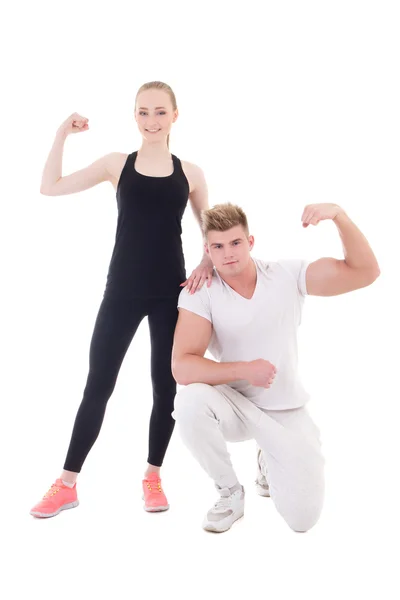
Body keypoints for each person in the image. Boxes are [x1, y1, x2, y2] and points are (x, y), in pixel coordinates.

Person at [30, 81, 213, 518]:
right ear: (135, 117)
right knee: (98, 385)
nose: (152, 121)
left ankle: (152, 477)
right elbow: (49, 187)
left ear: (175, 116)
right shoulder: (117, 164)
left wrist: (207, 261)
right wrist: (60, 134)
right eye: (144, 112)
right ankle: (66, 484)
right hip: (123, 291)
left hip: (172, 292)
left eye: (160, 112)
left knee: (165, 388)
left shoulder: (191, 172)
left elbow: (211, 228)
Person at [171, 202, 380, 533]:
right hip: (235, 408)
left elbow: (365, 272)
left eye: (236, 243)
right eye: (218, 247)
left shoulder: (286, 275)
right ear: (208, 251)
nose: (228, 254)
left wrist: (339, 215)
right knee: (188, 402)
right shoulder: (202, 293)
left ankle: (267, 458)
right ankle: (230, 491)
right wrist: (244, 369)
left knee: (302, 519)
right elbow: (182, 367)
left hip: (285, 409)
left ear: (250, 242)